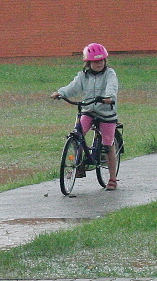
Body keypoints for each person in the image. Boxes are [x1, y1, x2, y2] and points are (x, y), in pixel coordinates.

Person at [51, 42, 120, 190]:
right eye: (95, 61)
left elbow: (112, 86)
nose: (99, 64)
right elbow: (73, 87)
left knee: (108, 144)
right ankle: (79, 163)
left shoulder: (110, 74)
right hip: (88, 110)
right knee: (78, 134)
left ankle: (112, 178)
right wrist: (61, 93)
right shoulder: (83, 76)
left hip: (106, 112)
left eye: (101, 61)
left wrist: (108, 97)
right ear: (88, 63)